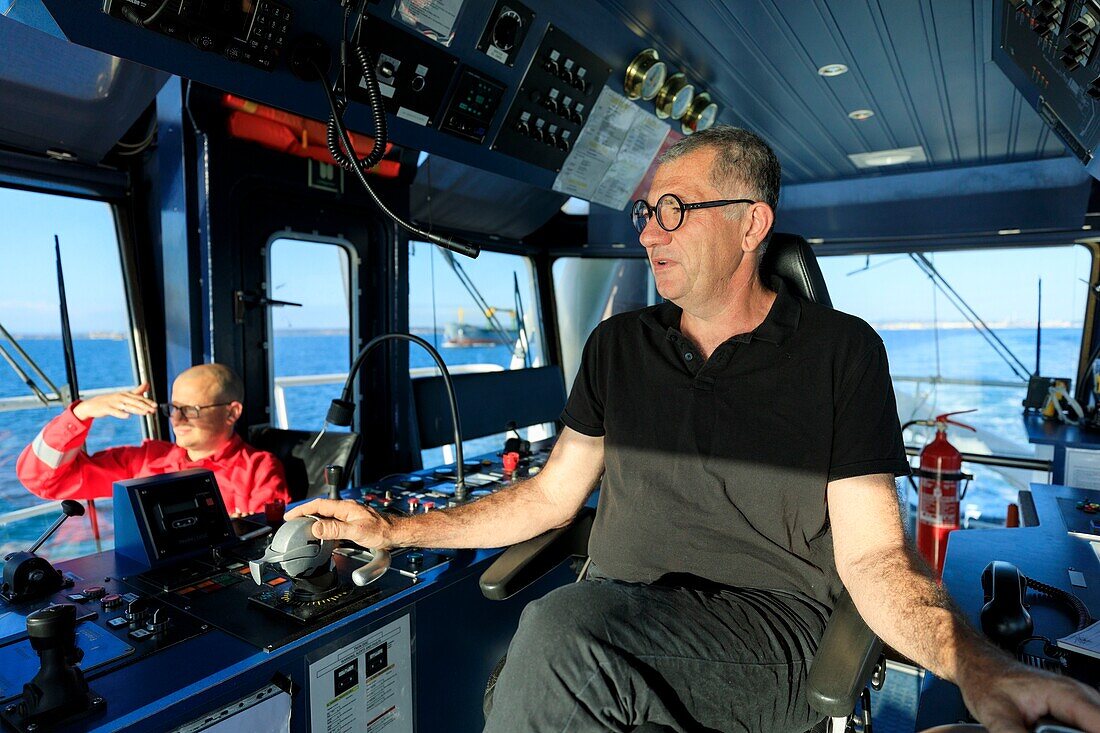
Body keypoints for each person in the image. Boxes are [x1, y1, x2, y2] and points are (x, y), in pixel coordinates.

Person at [290, 126, 1100, 732]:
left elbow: (874, 556)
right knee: (556, 646)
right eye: (646, 211)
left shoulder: (840, 353)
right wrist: (396, 529)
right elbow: (548, 497)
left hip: (765, 638)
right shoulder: (618, 346)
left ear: (751, 224)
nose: (647, 230)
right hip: (614, 615)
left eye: (673, 209)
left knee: (556, 636)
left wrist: (978, 666)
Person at [18, 363, 289, 516]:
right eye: (173, 407)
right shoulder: (145, 461)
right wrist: (82, 413)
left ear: (231, 413)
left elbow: (267, 546)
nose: (177, 419)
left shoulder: (259, 469)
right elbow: (42, 481)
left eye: (191, 410)